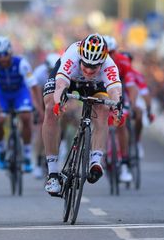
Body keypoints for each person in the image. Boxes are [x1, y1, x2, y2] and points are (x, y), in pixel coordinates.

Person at [42, 33, 123, 195]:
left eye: (94, 67)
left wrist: (117, 110)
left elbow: (115, 92)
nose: (88, 69)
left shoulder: (109, 65)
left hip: (96, 86)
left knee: (103, 109)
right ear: (81, 56)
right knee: (50, 107)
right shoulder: (72, 54)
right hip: (70, 81)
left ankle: (95, 161)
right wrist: (59, 103)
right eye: (85, 64)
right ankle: (52, 173)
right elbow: (61, 85)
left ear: (102, 62)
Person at [0, 36, 44, 173]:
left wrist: (39, 109)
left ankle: (27, 154)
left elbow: (34, 87)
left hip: (19, 92)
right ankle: (1, 149)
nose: (3, 58)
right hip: (2, 93)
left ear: (10, 52)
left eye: (5, 54)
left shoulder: (22, 63)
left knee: (25, 117)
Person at [103, 35, 138, 182]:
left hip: (121, 94)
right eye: (107, 53)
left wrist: (133, 104)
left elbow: (131, 86)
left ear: (116, 51)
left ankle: (124, 162)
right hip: (103, 93)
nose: (110, 56)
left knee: (121, 123)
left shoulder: (123, 62)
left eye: (112, 53)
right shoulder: (98, 62)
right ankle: (102, 154)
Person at [32, 52, 60, 179]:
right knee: (40, 127)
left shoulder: (62, 72)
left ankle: (59, 146)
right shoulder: (39, 73)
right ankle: (38, 162)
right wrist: (39, 111)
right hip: (40, 99)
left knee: (59, 123)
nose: (51, 72)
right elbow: (34, 95)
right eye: (49, 70)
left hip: (56, 97)